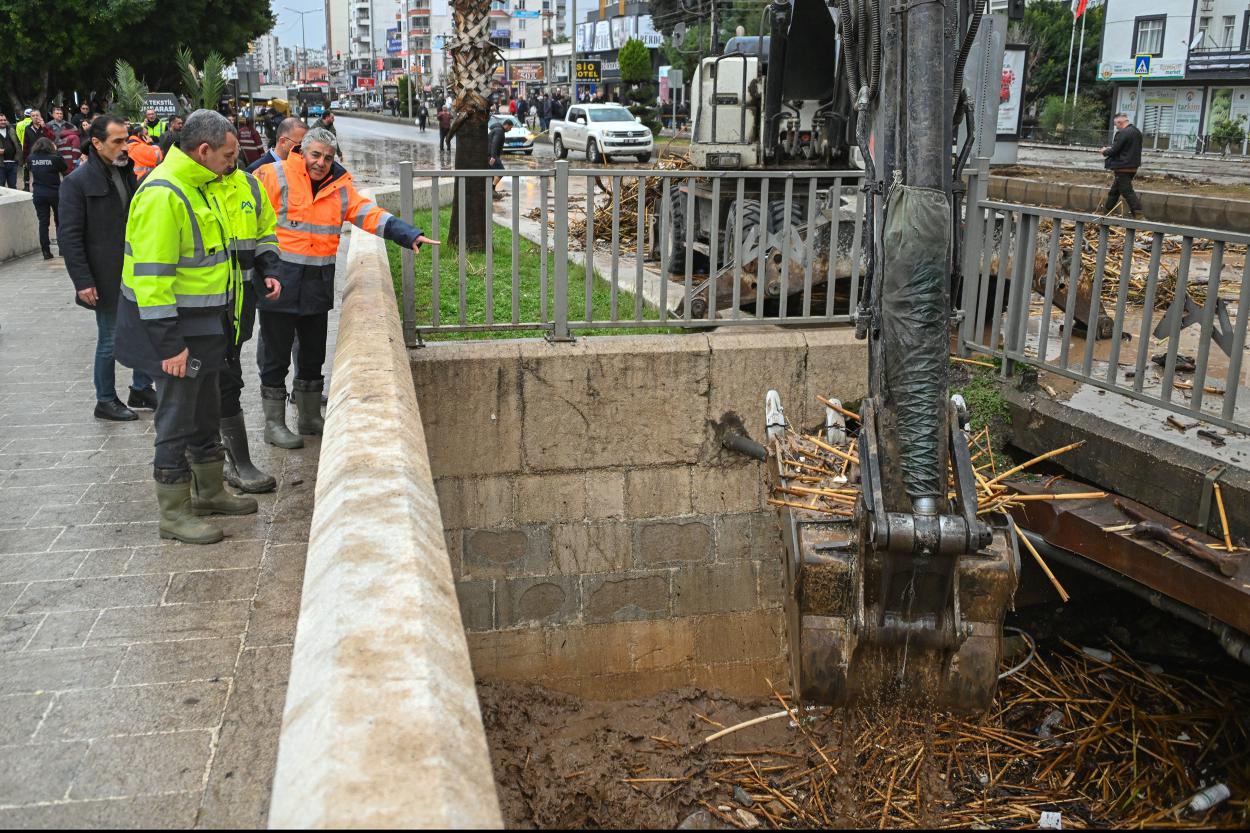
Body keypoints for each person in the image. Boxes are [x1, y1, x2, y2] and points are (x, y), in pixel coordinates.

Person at [115, 109, 280, 545]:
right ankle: (174, 512)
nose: (234, 162)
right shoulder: (164, 194)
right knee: (176, 418)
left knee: (205, 409)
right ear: (203, 151)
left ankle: (209, 490)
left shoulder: (204, 185)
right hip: (178, 335)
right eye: (228, 154)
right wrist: (169, 346)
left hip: (208, 327)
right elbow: (152, 281)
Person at [252, 127, 437, 447]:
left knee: (312, 355)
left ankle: (309, 418)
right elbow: (247, 217)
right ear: (301, 151)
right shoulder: (273, 174)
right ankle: (274, 424)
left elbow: (370, 215)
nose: (321, 163)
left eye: (327, 157)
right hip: (278, 283)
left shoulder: (340, 186)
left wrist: (408, 234)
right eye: (315, 155)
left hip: (316, 285)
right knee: (276, 357)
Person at [59, 114, 160, 421]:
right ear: (97, 143)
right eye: (117, 141)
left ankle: (141, 388)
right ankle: (105, 399)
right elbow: (69, 237)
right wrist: (83, 281)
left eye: (127, 140)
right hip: (103, 276)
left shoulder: (125, 172)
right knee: (110, 340)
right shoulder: (77, 183)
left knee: (143, 330)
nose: (125, 147)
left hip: (134, 271)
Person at [217, 159, 283, 492]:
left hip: (238, 306)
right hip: (199, 312)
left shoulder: (249, 186)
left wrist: (269, 269)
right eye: (226, 153)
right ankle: (216, 465)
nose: (234, 161)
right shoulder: (182, 189)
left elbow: (264, 233)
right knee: (208, 386)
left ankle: (232, 463)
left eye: (234, 153)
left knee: (229, 380)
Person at [1099, 112, 1145, 220]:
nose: (1116, 127)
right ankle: (1105, 212)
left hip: (1122, 166)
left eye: (1116, 125)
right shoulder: (1136, 132)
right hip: (1133, 166)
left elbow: (1114, 150)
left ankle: (1139, 214)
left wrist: (1104, 151)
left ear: (1120, 122)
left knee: (1127, 191)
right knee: (1115, 191)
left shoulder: (1122, 133)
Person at [27, 137, 67, 258]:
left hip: (38, 193)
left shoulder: (31, 158)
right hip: (54, 193)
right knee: (59, 221)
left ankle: (46, 251)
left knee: (43, 222)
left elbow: (30, 170)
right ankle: (62, 249)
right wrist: (56, 152)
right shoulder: (55, 158)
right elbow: (64, 168)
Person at [21, 110, 55, 191]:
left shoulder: (46, 126)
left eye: (37, 115)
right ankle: (29, 186)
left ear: (40, 116)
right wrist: (25, 158)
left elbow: (52, 138)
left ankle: (46, 188)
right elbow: (26, 144)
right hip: (33, 154)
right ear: (31, 118)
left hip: (45, 153)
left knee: (44, 172)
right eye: (33, 115)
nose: (35, 117)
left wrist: (44, 127)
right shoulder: (28, 128)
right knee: (33, 171)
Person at [487, 119, 506, 200]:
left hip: (489, 154)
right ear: (506, 125)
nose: (510, 129)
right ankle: (492, 189)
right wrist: (493, 157)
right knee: (501, 171)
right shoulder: (499, 131)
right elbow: (494, 144)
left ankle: (491, 192)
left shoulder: (496, 129)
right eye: (510, 127)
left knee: (491, 173)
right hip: (492, 155)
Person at [0, 114, 18, 188]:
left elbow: (18, 143)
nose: (3, 122)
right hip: (1, 165)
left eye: (4, 120)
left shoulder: (11, 130)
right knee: (1, 188)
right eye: (1, 120)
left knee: (13, 187)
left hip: (13, 163)